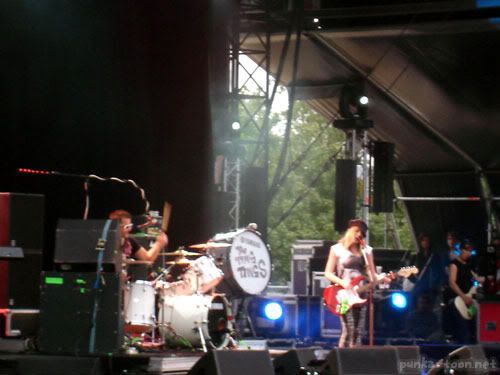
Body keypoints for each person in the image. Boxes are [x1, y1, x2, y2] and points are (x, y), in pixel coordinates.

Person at [324, 219, 385, 348]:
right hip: (343, 294)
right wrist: (343, 282)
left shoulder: (366, 251)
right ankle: (341, 361)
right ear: (350, 232)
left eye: (362, 233)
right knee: (348, 329)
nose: (359, 235)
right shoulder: (337, 249)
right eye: (357, 231)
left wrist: (382, 277)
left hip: (360, 294)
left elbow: (372, 276)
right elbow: (328, 273)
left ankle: (353, 361)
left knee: (358, 331)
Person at [448, 239, 484, 344]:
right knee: (464, 331)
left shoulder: (468, 265)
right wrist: (463, 296)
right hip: (459, 300)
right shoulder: (454, 264)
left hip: (469, 300)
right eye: (466, 250)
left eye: (470, 251)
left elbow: (477, 279)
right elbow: (452, 283)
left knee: (473, 327)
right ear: (460, 250)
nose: (468, 253)